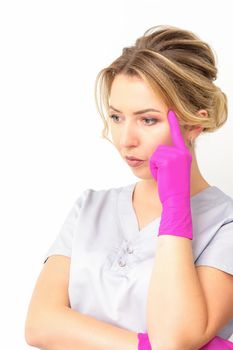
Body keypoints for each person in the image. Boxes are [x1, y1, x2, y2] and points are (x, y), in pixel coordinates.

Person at [25, 25, 233, 350]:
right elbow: (39, 324)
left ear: (194, 124)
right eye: (117, 117)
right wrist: (146, 346)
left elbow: (176, 337)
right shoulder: (90, 207)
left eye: (148, 120)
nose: (126, 140)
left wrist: (176, 207)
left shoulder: (226, 225)